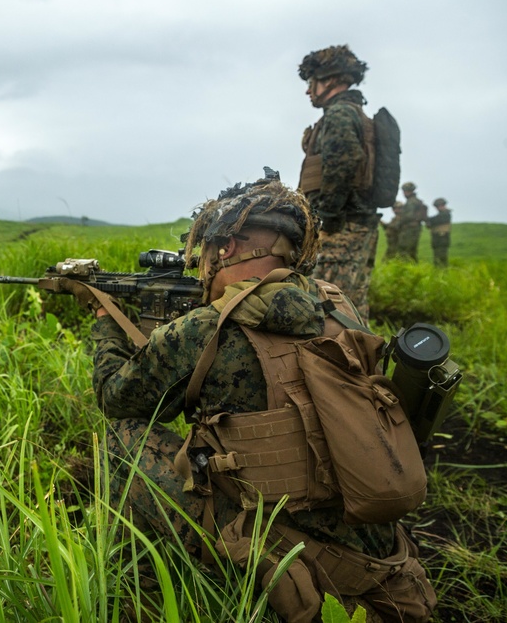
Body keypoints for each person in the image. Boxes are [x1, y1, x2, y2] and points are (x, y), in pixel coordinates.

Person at [76, 176, 436, 622]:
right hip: (377, 559)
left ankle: (142, 586)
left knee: (122, 440)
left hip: (295, 561)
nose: (201, 265)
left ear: (224, 249)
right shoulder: (337, 307)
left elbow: (117, 398)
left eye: (205, 252)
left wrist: (104, 321)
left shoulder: (206, 328)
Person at [297, 45, 381, 322]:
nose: (308, 90)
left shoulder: (340, 114)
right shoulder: (351, 112)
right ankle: (361, 362)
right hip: (355, 223)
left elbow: (343, 164)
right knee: (351, 305)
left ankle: (342, 364)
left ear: (330, 79)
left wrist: (327, 222)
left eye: (312, 82)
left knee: (330, 308)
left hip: (341, 227)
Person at [398, 182, 428, 262]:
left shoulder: (412, 202)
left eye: (406, 191)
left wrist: (399, 222)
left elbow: (409, 216)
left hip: (410, 228)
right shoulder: (415, 201)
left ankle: (408, 268)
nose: (405, 193)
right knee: (411, 250)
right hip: (413, 228)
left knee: (406, 250)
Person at [427, 198, 452, 267]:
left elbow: (436, 220)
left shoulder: (446, 215)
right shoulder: (442, 215)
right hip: (437, 240)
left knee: (441, 258)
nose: (438, 208)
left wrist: (428, 220)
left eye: (440, 206)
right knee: (437, 258)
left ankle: (443, 273)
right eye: (437, 206)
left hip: (442, 240)